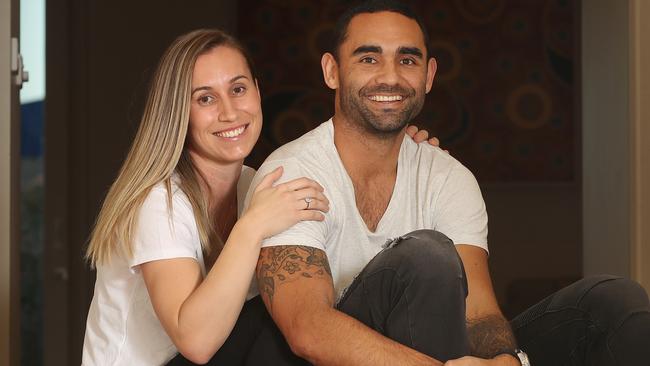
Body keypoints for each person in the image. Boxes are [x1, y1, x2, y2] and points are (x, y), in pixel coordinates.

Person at [247, 1, 650, 366]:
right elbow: (307, 329)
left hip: (447, 352)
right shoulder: (291, 172)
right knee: (426, 255)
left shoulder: (448, 176)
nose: (390, 77)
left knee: (613, 301)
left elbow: (477, 310)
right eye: (368, 58)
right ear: (332, 71)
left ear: (429, 75)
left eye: (408, 61)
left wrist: (504, 361)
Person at [81, 28, 437, 366]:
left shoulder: (258, 183)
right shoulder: (160, 201)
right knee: (285, 322)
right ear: (178, 112)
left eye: (238, 90)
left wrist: (393, 157)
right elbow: (196, 343)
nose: (230, 112)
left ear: (256, 90)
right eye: (205, 98)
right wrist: (251, 227)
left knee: (302, 304)